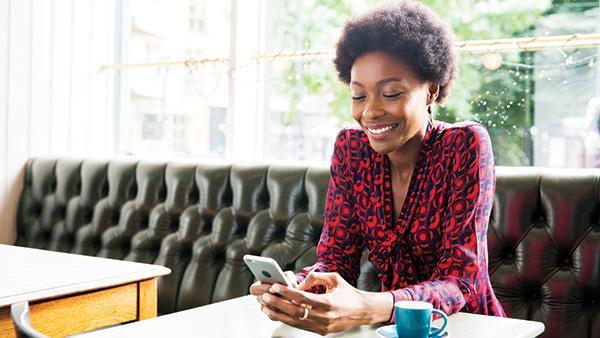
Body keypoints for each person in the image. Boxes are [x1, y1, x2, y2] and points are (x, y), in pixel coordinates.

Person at [250, 1, 506, 335]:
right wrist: (297, 289)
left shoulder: (465, 146)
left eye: (390, 93)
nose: (370, 112)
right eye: (358, 96)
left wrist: (368, 307)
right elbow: (335, 261)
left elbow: (460, 281)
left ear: (431, 90)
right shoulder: (351, 151)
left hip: (469, 328)